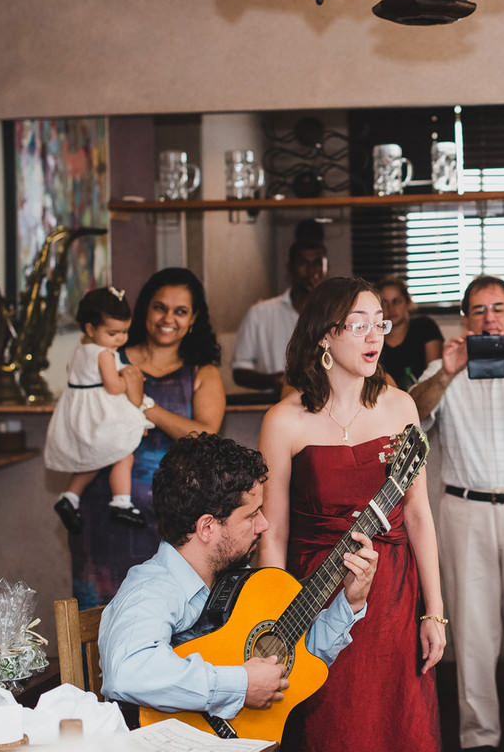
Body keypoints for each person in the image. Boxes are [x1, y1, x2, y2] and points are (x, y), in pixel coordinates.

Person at [259, 276, 445, 752]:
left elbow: (419, 515)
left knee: (397, 719)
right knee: (332, 723)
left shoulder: (400, 405)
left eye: (378, 324)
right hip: (314, 590)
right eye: (358, 324)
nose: (374, 336)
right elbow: (274, 531)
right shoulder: (283, 421)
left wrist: (435, 613)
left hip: (393, 592)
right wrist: (270, 621)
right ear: (324, 334)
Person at [99, 432, 377, 721]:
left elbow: (295, 656)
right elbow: (128, 671)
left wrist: (350, 603)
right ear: (207, 527)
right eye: (251, 515)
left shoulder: (235, 580)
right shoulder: (151, 589)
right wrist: (241, 685)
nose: (264, 524)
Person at [410, 274, 504, 752]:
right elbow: (408, 417)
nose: (489, 318)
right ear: (465, 320)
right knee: (471, 633)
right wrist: (447, 374)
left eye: (498, 309)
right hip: (464, 509)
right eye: (478, 310)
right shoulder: (442, 369)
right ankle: (478, 740)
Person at [69, 267, 227, 609]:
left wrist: (143, 404)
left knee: (167, 615)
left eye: (180, 311)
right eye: (160, 307)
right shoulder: (111, 359)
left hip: (174, 521)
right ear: (145, 310)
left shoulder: (203, 372)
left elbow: (206, 435)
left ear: (194, 318)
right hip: (105, 510)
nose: (168, 318)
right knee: (98, 614)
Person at [45, 286, 152, 532]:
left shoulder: (80, 350)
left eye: (125, 332)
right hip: (99, 413)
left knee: (91, 461)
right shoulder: (104, 354)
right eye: (113, 333)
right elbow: (113, 388)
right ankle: (122, 502)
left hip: (79, 412)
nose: (120, 339)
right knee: (124, 454)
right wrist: (128, 377)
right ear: (91, 329)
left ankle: (70, 497)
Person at [232, 225, 328, 393]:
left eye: (317, 264)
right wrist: (276, 380)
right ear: (290, 267)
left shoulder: (334, 314)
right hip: (273, 405)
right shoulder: (260, 314)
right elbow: (240, 371)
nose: (311, 271)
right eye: (303, 263)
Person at [378, 275, 443, 390]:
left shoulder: (425, 327)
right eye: (384, 302)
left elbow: (435, 376)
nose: (391, 308)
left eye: (396, 301)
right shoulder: (374, 336)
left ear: (407, 303)